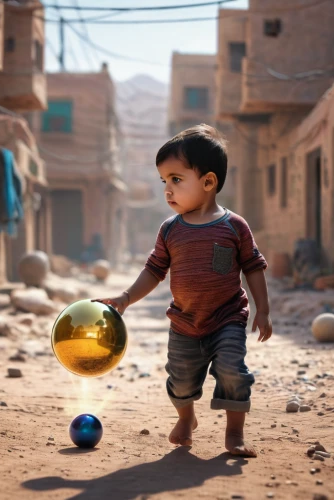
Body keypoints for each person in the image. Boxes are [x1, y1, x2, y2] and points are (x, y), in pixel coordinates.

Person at [93, 124, 272, 458]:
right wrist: (126, 297)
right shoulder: (170, 230)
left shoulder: (234, 226)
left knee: (234, 371)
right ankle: (187, 419)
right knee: (181, 380)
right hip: (185, 323)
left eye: (176, 179)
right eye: (164, 181)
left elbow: (253, 267)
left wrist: (263, 309)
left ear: (208, 182)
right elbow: (154, 270)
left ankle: (234, 432)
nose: (167, 190)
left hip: (227, 318)